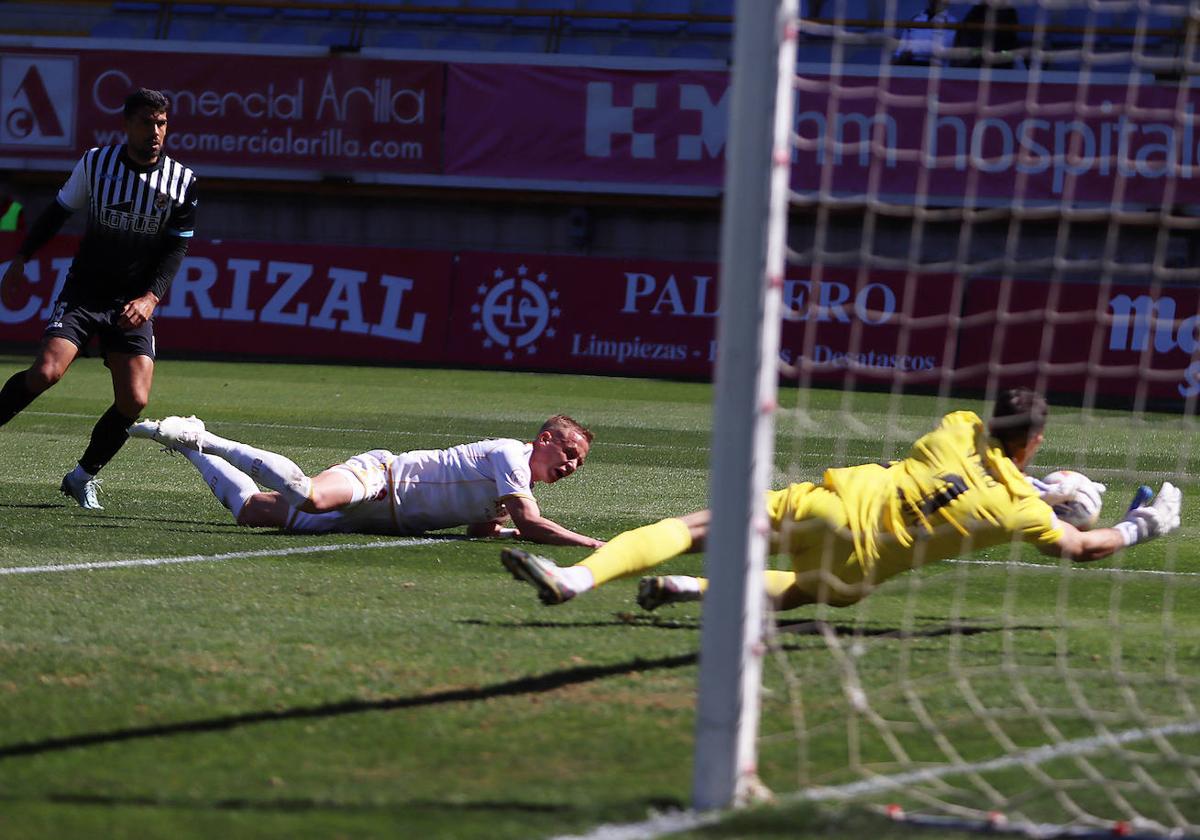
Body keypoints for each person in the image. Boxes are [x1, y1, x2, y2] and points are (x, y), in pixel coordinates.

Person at [499, 388, 1182, 610]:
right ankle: (695, 590)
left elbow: (991, 461)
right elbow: (1080, 548)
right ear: (1032, 444)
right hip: (861, 563)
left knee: (694, 524)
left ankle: (575, 576)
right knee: (799, 590)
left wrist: (1043, 479)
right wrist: (1141, 524)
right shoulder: (1019, 510)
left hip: (834, 501)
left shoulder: (958, 430)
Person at [0, 88, 198, 510]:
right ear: (126, 125)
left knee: (135, 400)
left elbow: (175, 248)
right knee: (47, 372)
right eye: (146, 122)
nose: (155, 132)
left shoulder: (183, 182)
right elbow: (57, 212)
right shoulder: (96, 163)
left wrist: (150, 297)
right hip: (85, 292)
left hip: (132, 302)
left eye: (162, 123)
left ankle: (82, 476)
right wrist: (21, 257)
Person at [128, 413, 604, 546]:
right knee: (310, 496)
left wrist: (502, 530)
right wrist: (589, 544)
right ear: (544, 440)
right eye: (569, 454)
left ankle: (187, 445)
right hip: (382, 479)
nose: (571, 466)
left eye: (578, 464)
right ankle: (206, 438)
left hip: (377, 521)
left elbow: (480, 527)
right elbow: (534, 523)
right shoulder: (510, 457)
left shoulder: (517, 486)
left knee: (252, 512)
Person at [892, 0, 957, 65]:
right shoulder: (916, 18)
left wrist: (914, 50)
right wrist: (898, 57)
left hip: (935, 67)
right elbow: (901, 46)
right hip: (909, 64)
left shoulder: (952, 22)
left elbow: (945, 48)